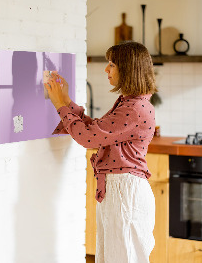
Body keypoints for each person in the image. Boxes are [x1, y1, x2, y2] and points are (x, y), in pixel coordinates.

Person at [45, 41, 157, 263]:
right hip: (120, 190)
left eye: (112, 64)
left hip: (125, 192)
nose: (106, 69)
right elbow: (96, 130)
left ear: (128, 69)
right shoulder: (130, 103)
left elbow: (88, 138)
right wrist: (66, 100)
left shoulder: (134, 108)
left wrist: (60, 105)